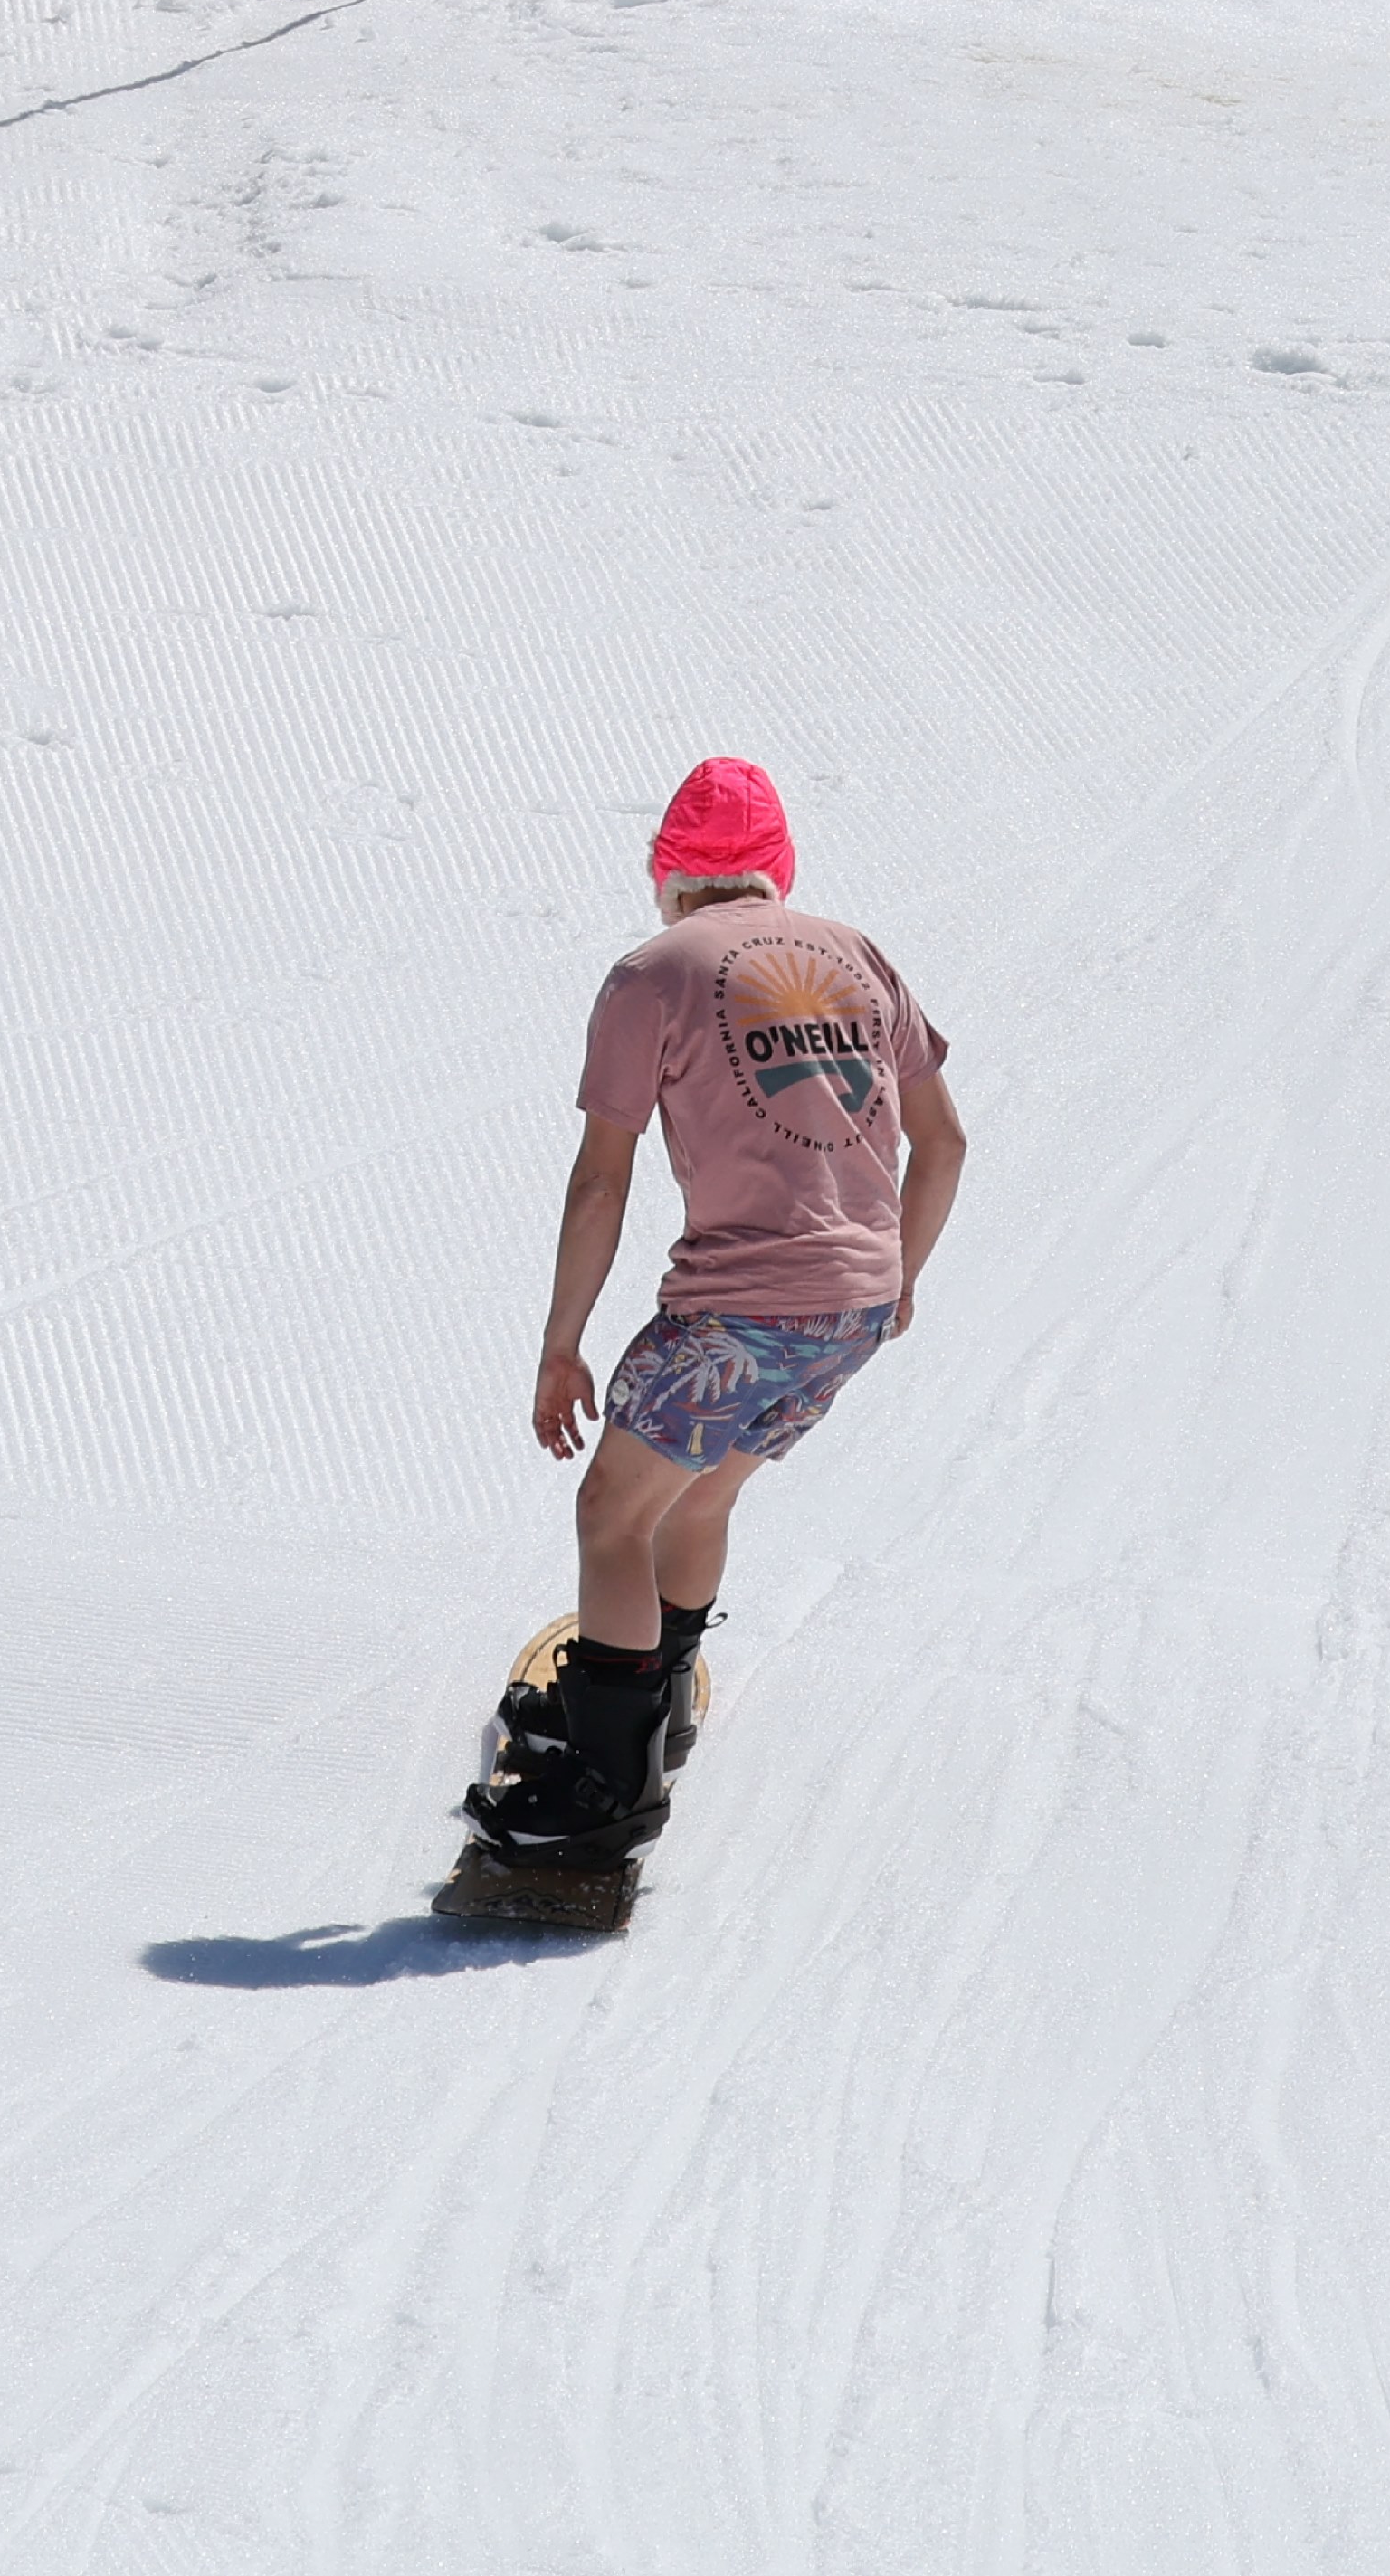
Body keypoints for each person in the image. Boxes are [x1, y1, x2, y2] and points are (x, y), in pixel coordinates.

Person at [460, 757, 970, 1918]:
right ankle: (658, 1693)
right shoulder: (863, 954)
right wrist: (895, 1282)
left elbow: (601, 1178)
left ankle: (604, 1788)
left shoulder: (653, 972)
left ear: (668, 879)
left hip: (739, 1306)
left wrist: (562, 1341)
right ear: (774, 872)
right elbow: (943, 1144)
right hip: (846, 1309)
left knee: (609, 1514)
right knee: (695, 1499)